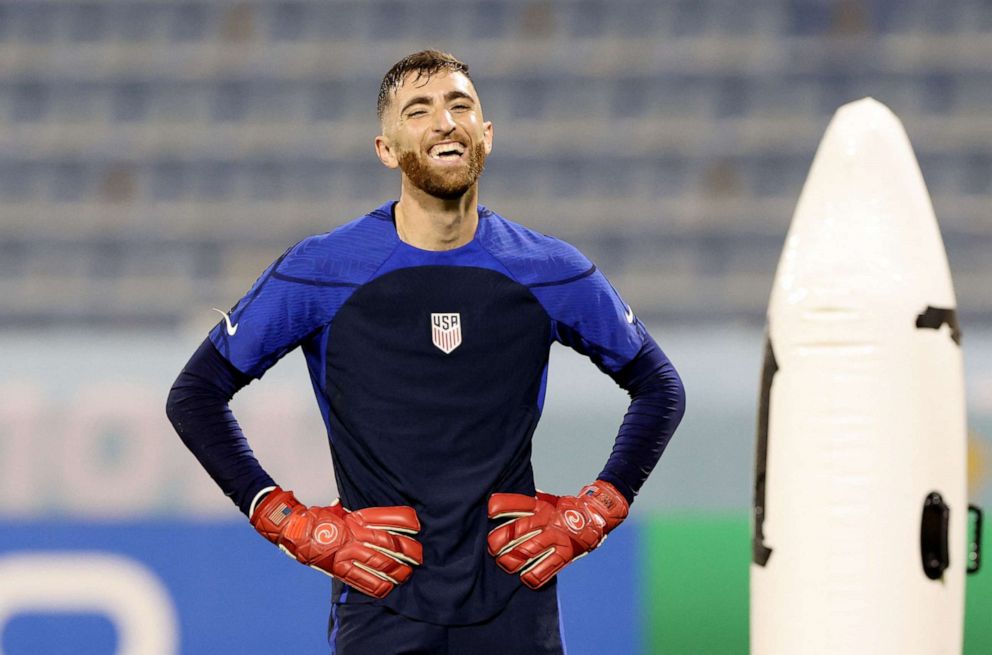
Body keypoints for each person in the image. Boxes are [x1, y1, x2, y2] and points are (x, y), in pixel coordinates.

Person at [166, 50, 685, 655]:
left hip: (515, 605)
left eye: (459, 105)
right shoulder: (324, 270)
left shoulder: (547, 270)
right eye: (419, 110)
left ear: (485, 135)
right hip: (379, 602)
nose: (444, 121)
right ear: (386, 149)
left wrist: (594, 512)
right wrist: (291, 524)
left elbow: (659, 387)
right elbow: (195, 395)